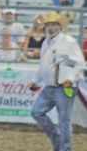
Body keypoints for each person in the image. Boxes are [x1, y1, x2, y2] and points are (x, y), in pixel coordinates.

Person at [28, 12, 86, 151]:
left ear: (60, 26)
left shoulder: (68, 42)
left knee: (63, 120)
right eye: (48, 24)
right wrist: (36, 81)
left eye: (54, 24)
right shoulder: (46, 43)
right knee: (37, 112)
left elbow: (80, 64)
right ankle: (57, 138)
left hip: (64, 87)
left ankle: (64, 148)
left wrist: (71, 78)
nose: (50, 27)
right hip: (49, 87)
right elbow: (43, 65)